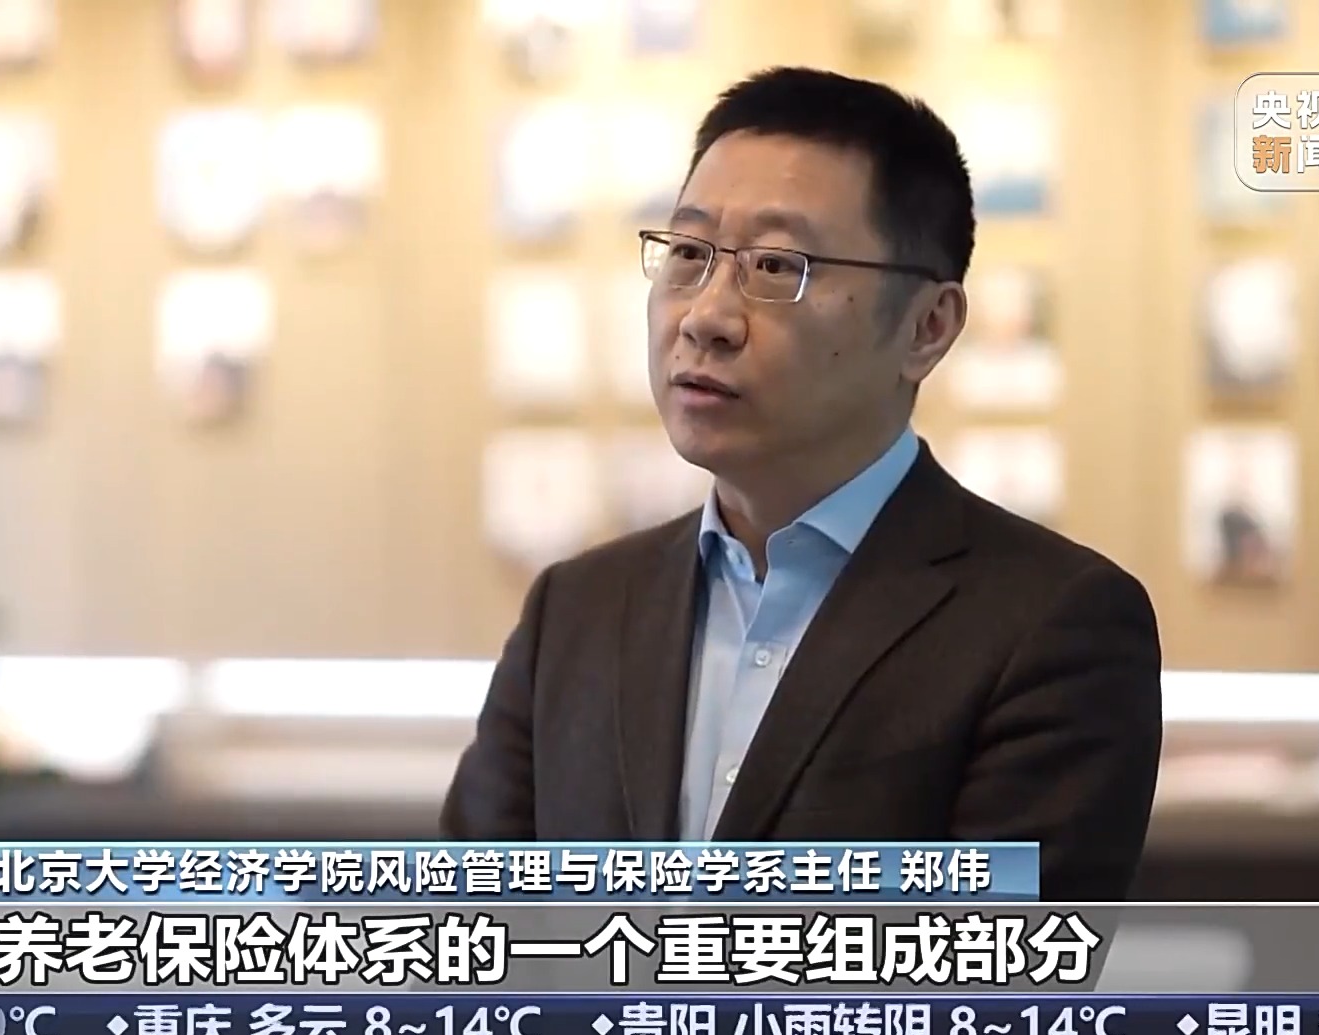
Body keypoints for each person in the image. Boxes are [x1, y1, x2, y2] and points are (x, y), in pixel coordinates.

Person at [440, 67, 1164, 901]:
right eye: (689, 254)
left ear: (927, 328)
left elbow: (988, 972)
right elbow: (468, 939)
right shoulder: (576, 612)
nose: (706, 317)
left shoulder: (1052, 627)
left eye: (778, 267)